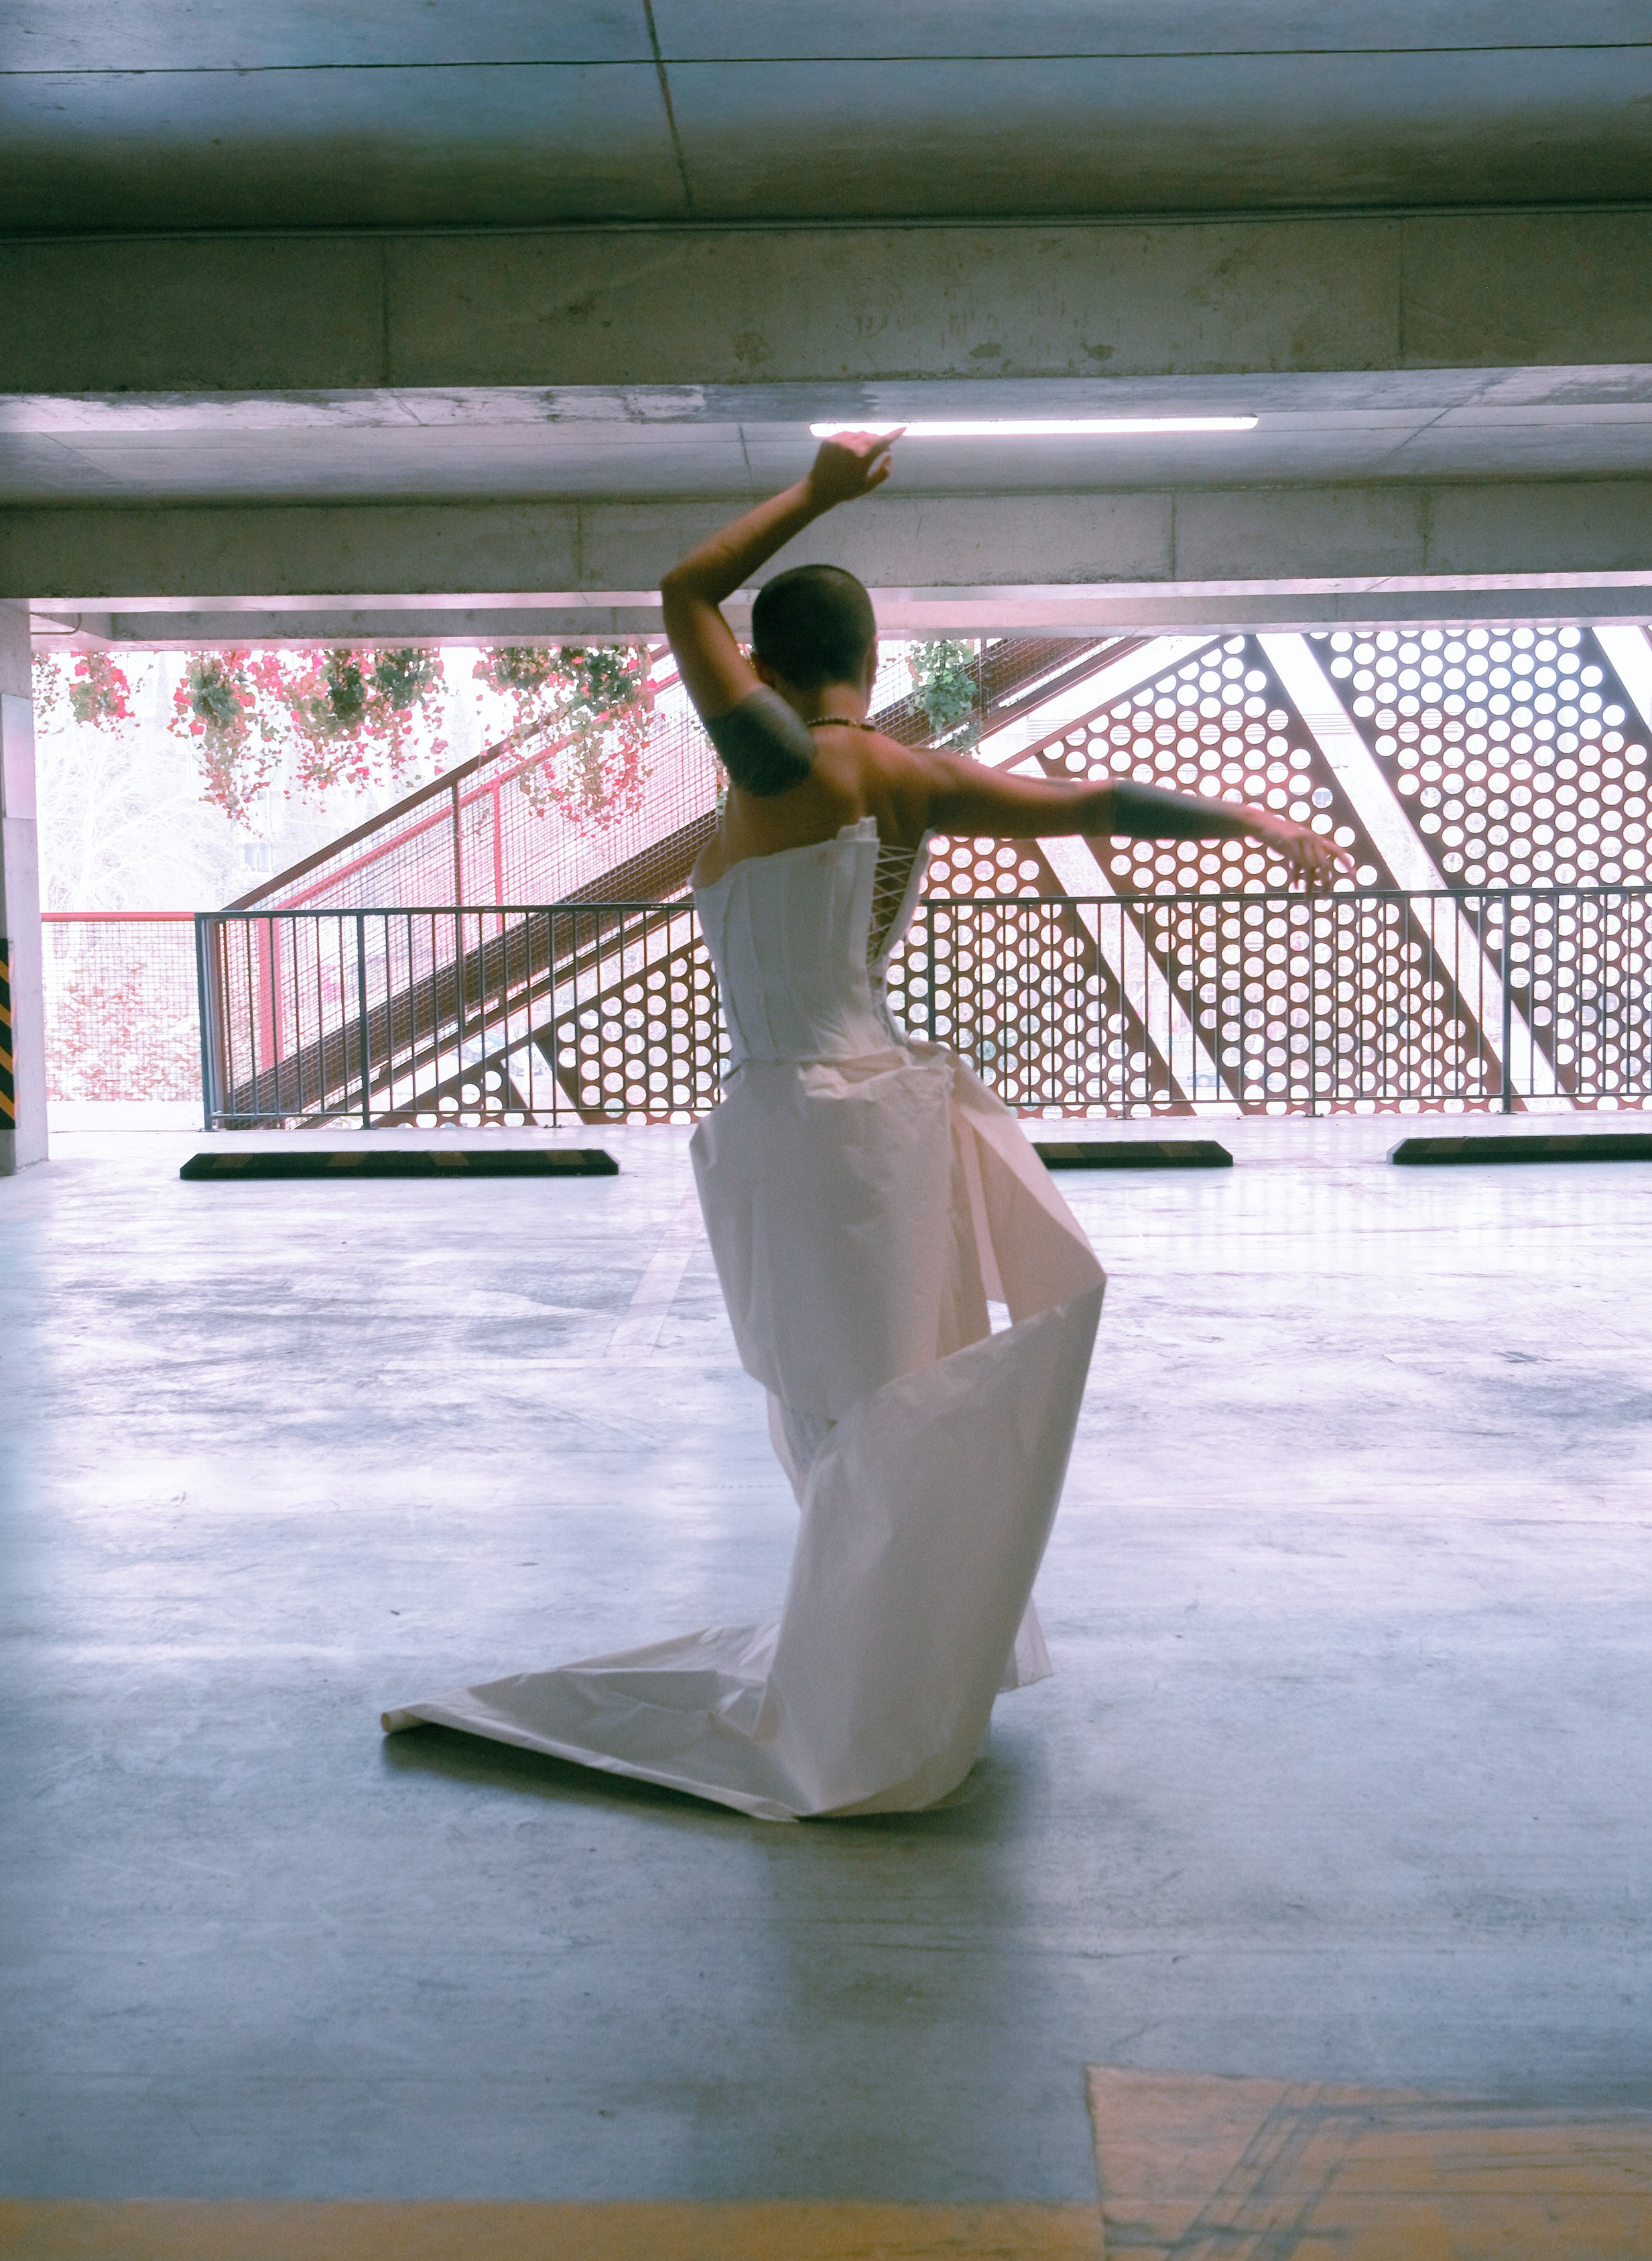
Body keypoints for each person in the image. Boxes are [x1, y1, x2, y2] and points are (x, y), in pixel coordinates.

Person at [384, 434, 1350, 1819]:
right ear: (872, 660)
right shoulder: (905, 776)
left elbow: (676, 592)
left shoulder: (777, 762)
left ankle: (866, 1693)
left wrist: (818, 494)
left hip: (802, 1128)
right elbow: (1089, 803)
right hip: (884, 1107)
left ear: (766, 669)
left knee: (837, 1411)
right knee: (892, 1397)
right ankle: (903, 1666)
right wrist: (1246, 817)